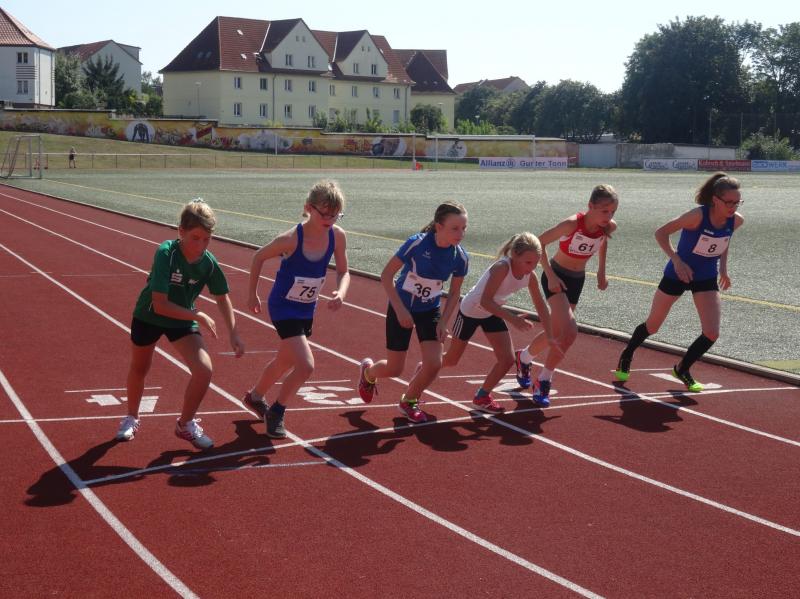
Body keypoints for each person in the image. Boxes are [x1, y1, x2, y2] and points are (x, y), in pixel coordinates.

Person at [116, 199, 244, 449]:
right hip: (150, 315)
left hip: (182, 319)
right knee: (140, 367)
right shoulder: (166, 253)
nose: (201, 245)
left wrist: (234, 333)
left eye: (206, 239)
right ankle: (131, 417)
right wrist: (198, 316)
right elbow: (160, 304)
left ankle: (185, 424)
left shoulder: (208, 262)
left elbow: (222, 297)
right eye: (195, 238)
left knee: (204, 370)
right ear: (181, 231)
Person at [615, 172, 744, 391]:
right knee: (653, 325)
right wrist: (677, 261)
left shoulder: (736, 220)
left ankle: (682, 368)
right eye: (729, 202)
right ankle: (627, 354)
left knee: (712, 332)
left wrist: (723, 268)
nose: (733, 207)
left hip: (705, 276)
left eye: (737, 202)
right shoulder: (696, 216)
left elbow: (724, 239)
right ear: (715, 199)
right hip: (677, 274)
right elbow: (661, 233)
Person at [243, 180, 350, 438]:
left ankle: (255, 397)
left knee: (285, 361)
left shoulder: (337, 236)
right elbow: (258, 257)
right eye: (324, 214)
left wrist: (341, 292)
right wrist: (252, 293)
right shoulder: (291, 239)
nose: (329, 220)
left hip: (306, 308)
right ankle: (277, 411)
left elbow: (344, 271)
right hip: (283, 306)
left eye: (335, 215)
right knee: (306, 365)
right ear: (308, 208)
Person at [358, 201, 469, 423]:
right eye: (455, 228)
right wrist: (400, 310)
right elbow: (386, 276)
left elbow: (455, 292)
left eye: (464, 228)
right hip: (402, 305)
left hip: (429, 309)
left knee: (434, 363)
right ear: (439, 227)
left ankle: (409, 400)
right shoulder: (417, 244)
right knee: (394, 368)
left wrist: (443, 322)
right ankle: (368, 373)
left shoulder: (460, 257)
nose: (461, 234)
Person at [514, 185, 619, 407]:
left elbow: (602, 242)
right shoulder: (571, 224)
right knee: (570, 332)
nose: (608, 216)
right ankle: (544, 380)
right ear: (590, 206)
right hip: (557, 276)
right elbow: (539, 243)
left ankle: (524, 357)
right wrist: (550, 275)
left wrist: (601, 271)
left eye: (612, 212)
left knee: (557, 331)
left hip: (577, 280)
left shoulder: (608, 226)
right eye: (604, 211)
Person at [439, 232, 556, 413]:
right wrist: (513, 319)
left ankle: (482, 396)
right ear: (514, 255)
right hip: (471, 311)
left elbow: (540, 305)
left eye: (536, 262)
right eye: (528, 262)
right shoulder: (502, 268)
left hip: (492, 313)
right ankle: (426, 368)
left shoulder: (530, 276)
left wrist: (550, 335)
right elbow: (485, 301)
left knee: (507, 359)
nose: (532, 267)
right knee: (452, 359)